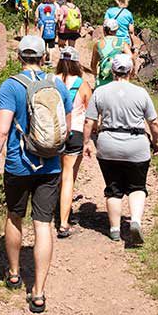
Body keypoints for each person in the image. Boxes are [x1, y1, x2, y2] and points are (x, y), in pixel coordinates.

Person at [0, 35, 72, 313]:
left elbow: (1, 130)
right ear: (44, 56)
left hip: (18, 165)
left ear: (20, 57)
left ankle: (13, 273)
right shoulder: (57, 84)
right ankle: (39, 292)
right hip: (50, 165)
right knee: (43, 225)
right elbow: (67, 128)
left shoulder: (11, 86)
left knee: (14, 215)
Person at [83, 54, 158, 245]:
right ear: (131, 71)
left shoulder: (100, 92)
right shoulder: (141, 93)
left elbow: (89, 121)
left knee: (113, 188)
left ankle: (115, 229)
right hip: (136, 145)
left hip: (108, 145)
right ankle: (135, 221)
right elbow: (154, 123)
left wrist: (86, 143)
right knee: (137, 187)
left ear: (112, 71)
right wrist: (156, 141)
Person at [55, 47, 92, 238]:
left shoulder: (51, 81)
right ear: (77, 63)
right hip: (75, 132)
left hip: (53, 133)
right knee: (69, 176)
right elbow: (89, 115)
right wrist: (88, 141)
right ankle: (63, 222)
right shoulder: (82, 85)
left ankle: (55, 209)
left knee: (58, 173)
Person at [90, 18, 132, 88]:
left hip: (103, 79)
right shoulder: (122, 43)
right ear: (116, 30)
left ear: (104, 29)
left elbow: (93, 64)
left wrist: (96, 76)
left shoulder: (98, 44)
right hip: (118, 80)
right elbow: (131, 57)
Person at [35, 0, 57, 65]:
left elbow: (36, 15)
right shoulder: (53, 6)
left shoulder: (40, 6)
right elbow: (56, 16)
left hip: (43, 30)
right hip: (51, 29)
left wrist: (37, 21)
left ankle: (43, 61)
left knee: (43, 46)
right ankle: (50, 61)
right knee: (51, 47)